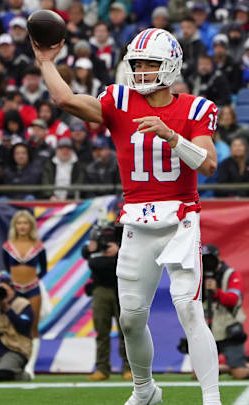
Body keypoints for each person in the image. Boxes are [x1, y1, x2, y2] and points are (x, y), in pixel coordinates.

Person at [33, 27, 222, 404]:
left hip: (181, 218)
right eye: (136, 64)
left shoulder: (196, 108)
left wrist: (171, 136)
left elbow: (210, 164)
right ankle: (144, 390)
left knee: (189, 308)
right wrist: (45, 61)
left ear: (170, 66)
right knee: (132, 319)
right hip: (136, 219)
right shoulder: (119, 100)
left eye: (150, 64)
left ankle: (211, 397)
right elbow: (66, 99)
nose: (141, 71)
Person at [200, 244, 249, 379]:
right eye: (205, 259)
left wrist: (216, 292)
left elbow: (233, 300)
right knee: (198, 375)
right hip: (208, 329)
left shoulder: (231, 274)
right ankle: (227, 367)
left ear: (219, 258)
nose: (208, 263)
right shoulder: (198, 275)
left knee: (239, 374)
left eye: (211, 259)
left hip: (229, 329)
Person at [82, 222, 131, 381]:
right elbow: (89, 257)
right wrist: (93, 248)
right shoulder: (98, 231)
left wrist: (119, 250)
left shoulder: (129, 228)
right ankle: (102, 368)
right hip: (101, 288)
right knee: (101, 330)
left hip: (122, 286)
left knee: (127, 331)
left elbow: (133, 254)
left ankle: (129, 368)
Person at [1, 210, 47, 380]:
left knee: (33, 328)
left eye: (25, 223)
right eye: (19, 223)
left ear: (31, 226)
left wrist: (33, 282)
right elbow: (7, 268)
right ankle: (14, 365)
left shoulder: (38, 246)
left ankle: (30, 367)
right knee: (12, 326)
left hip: (33, 289)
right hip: (15, 290)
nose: (22, 226)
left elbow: (44, 268)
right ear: (15, 226)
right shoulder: (7, 246)